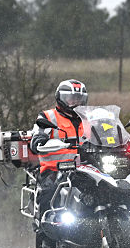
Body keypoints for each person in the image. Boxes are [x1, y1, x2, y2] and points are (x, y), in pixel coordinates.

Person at [29, 79, 88, 223]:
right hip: (55, 169)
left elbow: (105, 135)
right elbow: (37, 136)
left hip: (86, 168)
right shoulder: (48, 117)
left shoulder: (89, 119)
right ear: (60, 98)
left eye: (79, 99)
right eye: (71, 98)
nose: (75, 102)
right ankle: (46, 231)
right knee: (48, 193)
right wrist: (40, 141)